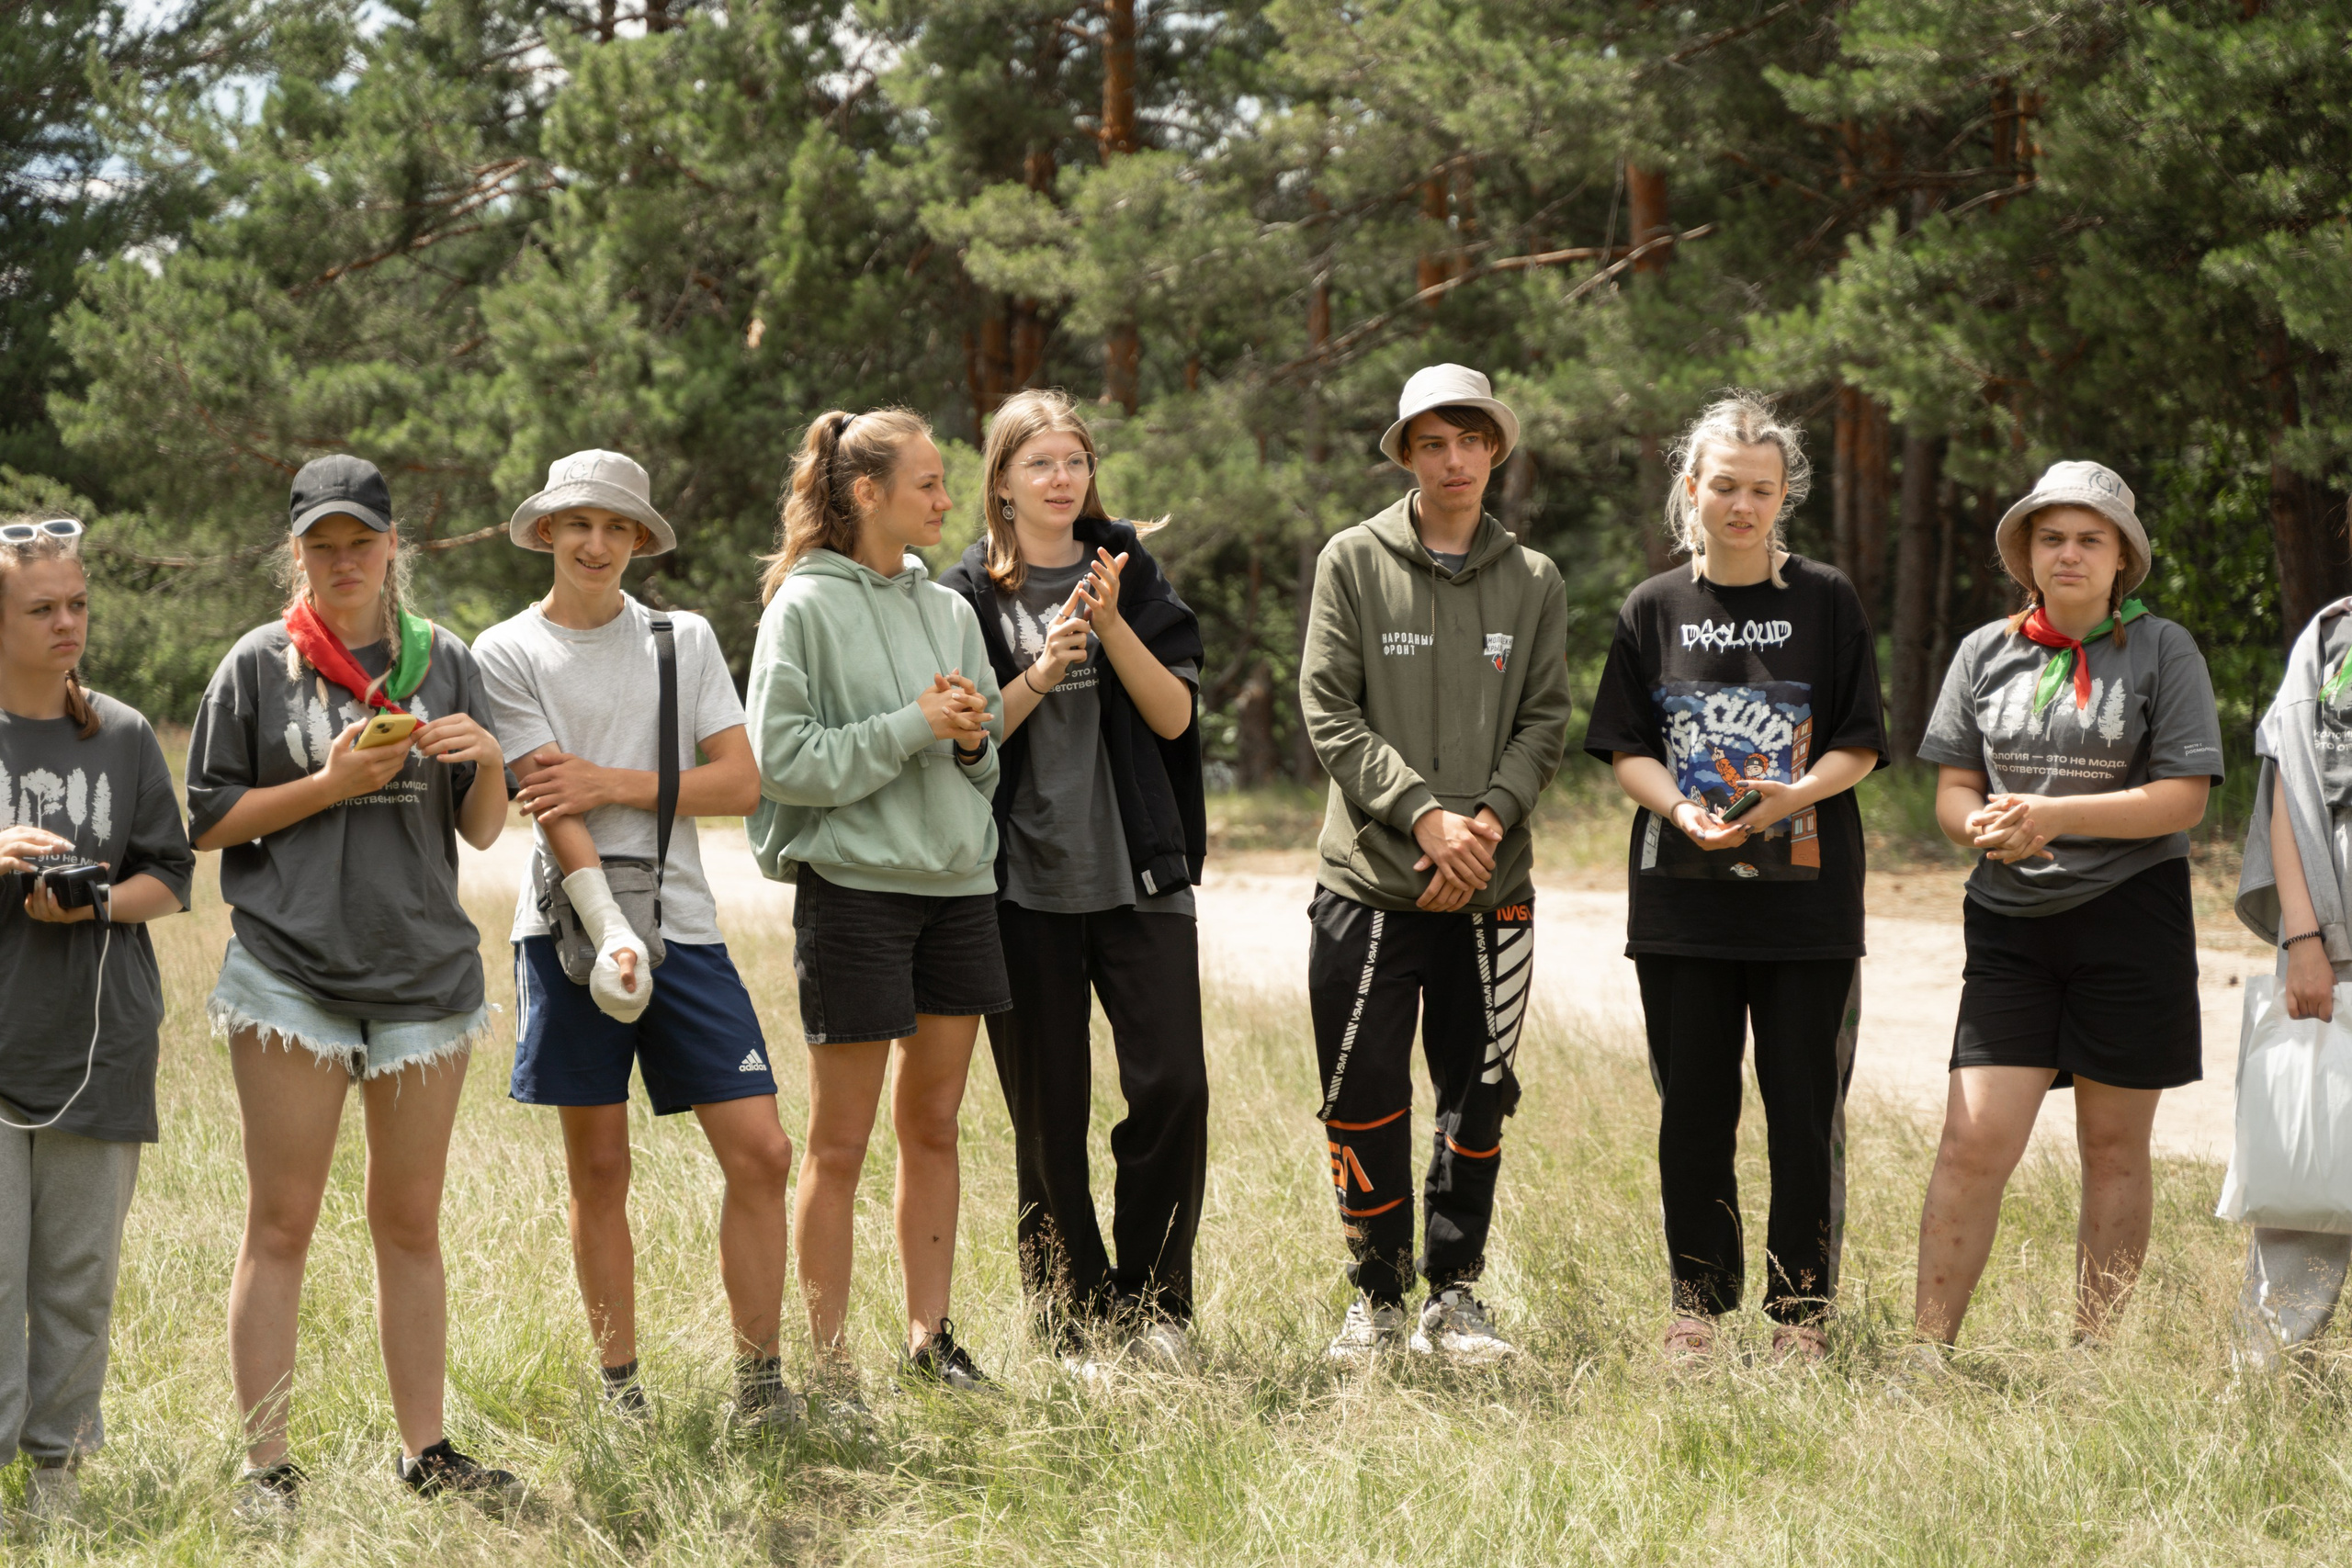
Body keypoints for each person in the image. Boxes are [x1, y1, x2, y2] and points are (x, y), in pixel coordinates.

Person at [184, 457, 517, 1511]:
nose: (342, 563)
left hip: (423, 974)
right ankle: (264, 1468)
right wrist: (326, 784)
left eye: (359, 544)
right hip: (291, 972)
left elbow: (478, 829)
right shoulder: (256, 667)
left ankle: (427, 1453)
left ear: (391, 548)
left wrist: (492, 762)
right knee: (280, 1221)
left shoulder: (443, 660)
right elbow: (204, 824)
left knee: (409, 1224)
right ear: (297, 553)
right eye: (321, 546)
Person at [469, 449, 795, 1434]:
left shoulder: (680, 638)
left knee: (763, 1150)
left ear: (643, 541)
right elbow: (544, 803)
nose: (598, 544)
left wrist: (612, 782)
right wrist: (610, 930)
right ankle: (622, 1393)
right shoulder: (504, 651)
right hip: (570, 931)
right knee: (599, 1167)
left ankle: (761, 1388)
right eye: (579, 525)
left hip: (683, 929)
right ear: (545, 534)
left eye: (619, 528)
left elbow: (739, 786)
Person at [1581, 393, 1886, 1364]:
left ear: (1784, 494)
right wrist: (1679, 809)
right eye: (1724, 486)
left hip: (1809, 910)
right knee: (1694, 1115)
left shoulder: (1826, 599)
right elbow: (1625, 747)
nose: (1741, 505)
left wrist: (1788, 798)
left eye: (1760, 489)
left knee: (1803, 1115)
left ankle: (1800, 1314)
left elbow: (1861, 744)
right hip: (1681, 907)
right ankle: (1696, 1309)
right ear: (1692, 492)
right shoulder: (1653, 606)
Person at [1911, 460, 2221, 1353]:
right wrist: (1982, 828)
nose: (2069, 553)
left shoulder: (2164, 650)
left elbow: (2183, 800)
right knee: (1972, 1142)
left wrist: (2051, 815)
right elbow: (1954, 790)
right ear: (2026, 553)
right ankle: (1926, 1355)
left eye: (2090, 538)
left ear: (2122, 555)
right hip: (2008, 923)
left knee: (2113, 1151)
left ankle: (2093, 1362)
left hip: (2132, 916)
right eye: (2052, 537)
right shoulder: (1983, 651)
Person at [1298, 364, 1571, 1367]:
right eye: (1431, 443)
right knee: (1361, 1091)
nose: (1452, 461)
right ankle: (1372, 1299)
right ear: (1407, 454)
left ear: (1494, 449)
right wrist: (1423, 820)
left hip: (1491, 889)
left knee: (1479, 1091)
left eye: (1469, 440)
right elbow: (1328, 709)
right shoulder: (1352, 561)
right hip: (1370, 884)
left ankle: (1454, 1298)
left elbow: (1545, 719)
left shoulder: (1532, 579)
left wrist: (1482, 828)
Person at [936, 388, 1209, 1378]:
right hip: (1019, 890)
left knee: (1173, 1085)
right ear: (1001, 481)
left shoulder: (1128, 571)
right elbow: (968, 737)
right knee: (1047, 1120)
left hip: (1140, 878)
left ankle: (1156, 1305)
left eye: (1075, 462)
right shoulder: (963, 594)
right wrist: (1046, 664)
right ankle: (1071, 1325)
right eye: (1040, 464)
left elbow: (1176, 720)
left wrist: (1110, 620)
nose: (1062, 481)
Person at [745, 408, 1007, 1399]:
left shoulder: (948, 611)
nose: (948, 500)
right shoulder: (802, 608)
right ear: (868, 494)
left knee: (934, 1127)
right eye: (931, 484)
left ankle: (930, 1343)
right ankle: (827, 1364)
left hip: (958, 893)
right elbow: (782, 764)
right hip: (853, 896)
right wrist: (912, 725)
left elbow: (987, 771)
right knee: (840, 1142)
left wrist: (975, 741)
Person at [0, 516, 193, 1531]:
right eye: (43, 609)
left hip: (97, 1042)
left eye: (78, 604)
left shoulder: (116, 734)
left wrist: (96, 902)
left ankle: (56, 1486)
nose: (68, 623)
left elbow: (172, 871)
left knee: (77, 1279)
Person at [2230, 596, 2352, 1370]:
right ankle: (2266, 1383)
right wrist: (2304, 936)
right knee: (2313, 1159)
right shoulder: (2333, 635)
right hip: (2334, 936)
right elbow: (2286, 788)